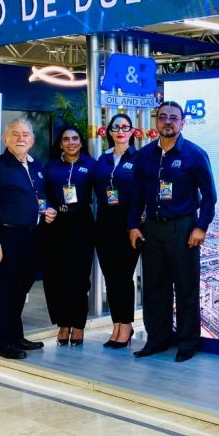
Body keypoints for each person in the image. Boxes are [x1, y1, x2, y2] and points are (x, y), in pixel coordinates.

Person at [128, 101, 217, 362]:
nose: (168, 121)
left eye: (173, 118)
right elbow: (136, 196)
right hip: (152, 228)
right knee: (154, 286)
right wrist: (133, 225)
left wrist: (201, 227)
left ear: (182, 123)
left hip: (183, 227)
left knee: (186, 286)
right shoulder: (144, 155)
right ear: (156, 121)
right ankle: (157, 338)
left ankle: (187, 342)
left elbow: (210, 196)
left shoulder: (194, 154)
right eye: (163, 116)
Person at [0, 119, 56, 359]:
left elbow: (40, 197)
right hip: (6, 237)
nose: (20, 138)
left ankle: (16, 335)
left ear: (32, 140)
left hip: (32, 238)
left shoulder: (36, 165)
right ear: (5, 139)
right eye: (15, 134)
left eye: (25, 134)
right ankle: (3, 342)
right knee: (4, 290)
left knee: (20, 289)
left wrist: (47, 210)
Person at [41, 126, 96, 347]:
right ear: (61, 143)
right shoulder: (51, 166)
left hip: (82, 224)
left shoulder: (91, 165)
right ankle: (63, 323)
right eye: (66, 139)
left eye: (75, 138)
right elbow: (41, 193)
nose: (71, 142)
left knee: (79, 276)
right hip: (56, 224)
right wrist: (47, 207)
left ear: (81, 142)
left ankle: (78, 324)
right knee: (57, 276)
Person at [93, 114, 141, 348]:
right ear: (109, 132)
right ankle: (116, 325)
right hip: (104, 224)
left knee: (123, 276)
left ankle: (127, 325)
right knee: (111, 277)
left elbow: (142, 195)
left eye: (125, 127)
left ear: (132, 131)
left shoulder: (139, 158)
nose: (120, 131)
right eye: (116, 127)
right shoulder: (102, 159)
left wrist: (135, 224)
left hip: (129, 225)